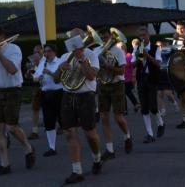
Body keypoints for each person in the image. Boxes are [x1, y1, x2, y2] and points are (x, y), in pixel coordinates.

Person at [0, 25, 36, 177]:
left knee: (11, 127)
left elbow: (12, 70)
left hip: (12, 91)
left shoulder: (14, 49)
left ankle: (28, 147)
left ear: (2, 37)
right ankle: (5, 164)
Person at [57, 28, 103, 184]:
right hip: (67, 96)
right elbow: (56, 79)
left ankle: (97, 158)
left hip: (85, 97)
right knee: (69, 134)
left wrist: (82, 59)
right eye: (71, 38)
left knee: (90, 134)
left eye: (78, 38)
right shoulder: (65, 56)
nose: (74, 41)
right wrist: (60, 69)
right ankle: (77, 171)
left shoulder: (91, 54)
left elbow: (91, 76)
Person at [94, 30, 133, 160]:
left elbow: (122, 71)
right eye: (102, 37)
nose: (104, 39)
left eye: (106, 37)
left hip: (117, 84)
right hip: (102, 84)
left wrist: (107, 66)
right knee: (104, 117)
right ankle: (110, 149)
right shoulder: (96, 51)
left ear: (111, 37)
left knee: (118, 118)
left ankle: (127, 135)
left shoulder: (118, 51)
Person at [134, 26, 165, 142]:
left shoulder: (155, 48)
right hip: (141, 78)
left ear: (148, 35)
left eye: (144, 35)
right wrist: (138, 57)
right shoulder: (138, 48)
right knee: (144, 108)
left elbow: (158, 64)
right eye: (140, 36)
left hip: (152, 78)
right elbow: (132, 65)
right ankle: (149, 134)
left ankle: (161, 123)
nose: (142, 38)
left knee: (153, 106)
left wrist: (147, 56)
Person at [32, 43, 63, 157]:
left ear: (54, 52)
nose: (46, 54)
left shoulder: (60, 62)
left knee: (63, 120)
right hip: (45, 93)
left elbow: (61, 78)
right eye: (45, 51)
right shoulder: (43, 63)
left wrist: (49, 72)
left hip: (59, 93)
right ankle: (52, 147)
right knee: (48, 120)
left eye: (49, 51)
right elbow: (35, 77)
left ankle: (72, 140)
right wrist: (37, 78)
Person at [156, 39, 179, 119]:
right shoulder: (155, 51)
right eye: (158, 45)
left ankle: (175, 103)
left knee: (167, 93)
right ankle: (163, 110)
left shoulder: (168, 51)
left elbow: (175, 56)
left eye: (160, 45)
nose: (159, 47)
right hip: (158, 74)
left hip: (166, 73)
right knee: (159, 93)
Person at [25, 45, 44, 140]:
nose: (36, 54)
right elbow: (27, 77)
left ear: (42, 52)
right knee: (35, 109)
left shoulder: (46, 61)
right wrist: (29, 70)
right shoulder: (32, 63)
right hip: (37, 88)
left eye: (38, 52)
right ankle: (34, 131)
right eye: (34, 52)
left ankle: (58, 126)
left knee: (51, 108)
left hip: (47, 88)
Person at [121, 41, 140, 113]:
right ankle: (127, 108)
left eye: (119, 48)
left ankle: (135, 104)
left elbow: (134, 67)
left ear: (123, 48)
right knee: (124, 93)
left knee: (127, 92)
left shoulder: (129, 56)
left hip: (128, 78)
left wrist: (134, 76)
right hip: (122, 77)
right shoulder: (120, 57)